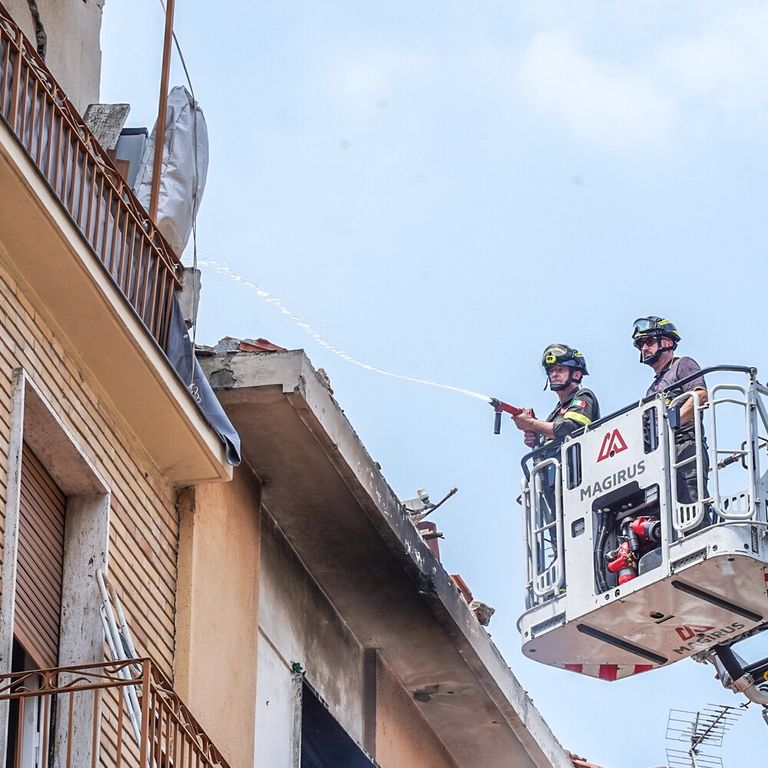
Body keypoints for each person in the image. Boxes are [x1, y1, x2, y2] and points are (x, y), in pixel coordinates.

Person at [631, 316, 709, 511]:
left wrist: (670, 424)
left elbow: (700, 395)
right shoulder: (651, 389)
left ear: (667, 342)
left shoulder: (683, 365)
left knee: (691, 505)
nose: (644, 348)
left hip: (685, 447)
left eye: (649, 342)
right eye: (641, 345)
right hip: (661, 454)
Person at [512, 343, 600, 449]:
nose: (554, 374)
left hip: (579, 463)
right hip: (556, 465)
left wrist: (531, 423)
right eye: (551, 370)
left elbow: (569, 428)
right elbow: (553, 437)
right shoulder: (554, 415)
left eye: (560, 370)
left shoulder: (584, 395)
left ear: (577, 374)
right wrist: (536, 437)